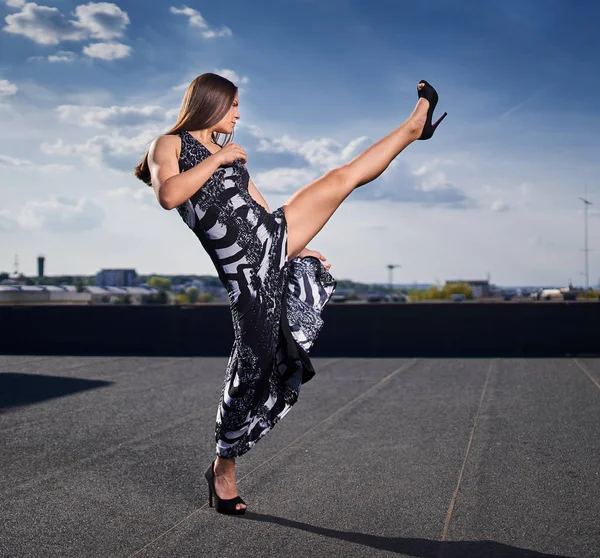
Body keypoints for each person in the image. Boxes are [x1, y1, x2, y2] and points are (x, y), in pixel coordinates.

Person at [134, 73, 446, 515]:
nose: (239, 114)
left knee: (342, 177)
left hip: (271, 241)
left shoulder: (230, 155)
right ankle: (223, 466)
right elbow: (169, 194)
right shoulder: (169, 144)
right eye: (234, 105)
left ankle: (415, 126)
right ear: (211, 103)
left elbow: (260, 211)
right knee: (250, 374)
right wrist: (217, 163)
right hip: (246, 278)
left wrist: (295, 243)